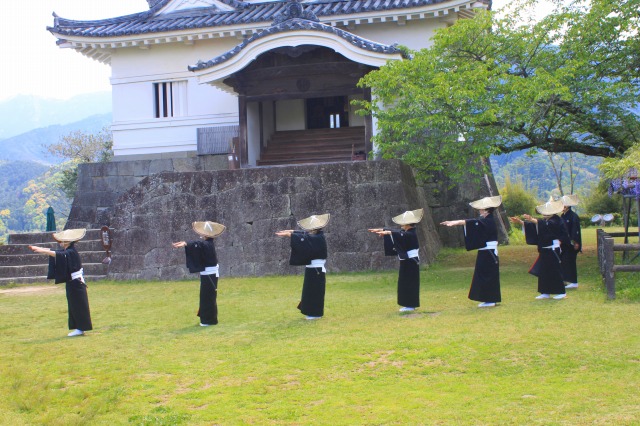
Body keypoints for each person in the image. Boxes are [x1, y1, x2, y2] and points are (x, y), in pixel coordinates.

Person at [28, 229, 93, 337]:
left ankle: (81, 329)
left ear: (67, 242)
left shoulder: (71, 251)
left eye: (62, 241)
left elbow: (58, 254)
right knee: (73, 306)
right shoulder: (68, 250)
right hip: (73, 283)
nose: (60, 243)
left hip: (77, 283)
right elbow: (58, 252)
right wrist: (41, 249)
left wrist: (41, 250)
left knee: (78, 306)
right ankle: (78, 328)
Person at [440, 196, 502, 308]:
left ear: (486, 210)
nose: (480, 210)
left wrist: (456, 222)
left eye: (481, 209)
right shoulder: (486, 220)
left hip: (489, 252)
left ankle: (491, 299)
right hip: (486, 252)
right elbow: (475, 223)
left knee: (488, 275)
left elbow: (473, 223)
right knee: (483, 274)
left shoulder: (488, 221)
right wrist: (457, 222)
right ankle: (487, 299)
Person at [509, 199, 571, 300]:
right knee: (544, 272)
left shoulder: (557, 220)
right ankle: (545, 292)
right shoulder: (545, 221)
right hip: (544, 249)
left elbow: (547, 225)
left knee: (555, 271)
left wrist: (532, 219)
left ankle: (561, 292)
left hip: (552, 249)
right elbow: (537, 225)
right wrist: (521, 222)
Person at [275, 214, 329, 320]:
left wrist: (290, 235)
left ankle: (315, 314)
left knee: (314, 291)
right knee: (309, 291)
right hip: (312, 269)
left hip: (316, 270)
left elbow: (305, 238)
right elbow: (304, 235)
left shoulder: (318, 238)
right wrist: (292, 231)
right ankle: (312, 313)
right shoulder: (316, 236)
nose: (308, 230)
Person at [172, 221, 226, 326]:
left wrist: (187, 244)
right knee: (206, 297)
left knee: (207, 297)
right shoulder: (208, 244)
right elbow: (199, 244)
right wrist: (187, 243)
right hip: (209, 274)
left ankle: (208, 321)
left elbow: (199, 244)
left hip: (209, 275)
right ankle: (208, 319)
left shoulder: (207, 244)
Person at [369, 209, 423, 312]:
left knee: (409, 282)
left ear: (407, 224)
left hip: (411, 261)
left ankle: (410, 305)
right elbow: (399, 232)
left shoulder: (411, 234)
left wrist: (389, 233)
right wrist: (383, 230)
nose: (401, 225)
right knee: (404, 282)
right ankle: (409, 304)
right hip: (408, 261)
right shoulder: (408, 232)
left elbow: (400, 234)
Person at [560, 194, 582, 289]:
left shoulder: (573, 216)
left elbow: (575, 230)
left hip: (571, 243)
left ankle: (574, 281)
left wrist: (576, 242)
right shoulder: (562, 216)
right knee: (564, 262)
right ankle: (565, 280)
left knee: (571, 262)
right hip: (564, 243)